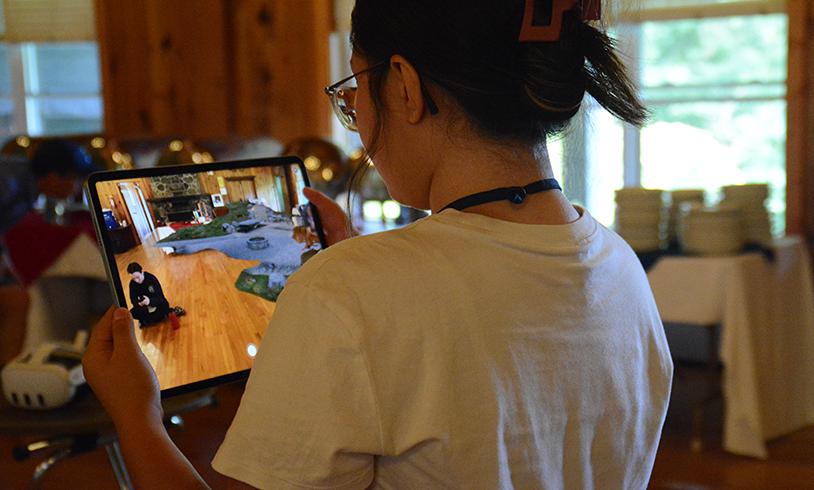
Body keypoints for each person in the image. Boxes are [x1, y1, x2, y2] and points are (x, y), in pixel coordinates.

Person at [83, 1, 673, 488]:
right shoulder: (620, 264)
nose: (358, 120)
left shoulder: (351, 290)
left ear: (407, 86)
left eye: (354, 93)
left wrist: (138, 419)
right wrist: (364, 262)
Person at [0, 139, 97, 365]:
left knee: (18, 299)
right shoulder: (8, 182)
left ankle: (7, 380)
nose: (77, 188)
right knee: (16, 301)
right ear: (53, 177)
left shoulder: (23, 180)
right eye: (75, 179)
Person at [126, 262, 180, 327]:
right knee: (131, 313)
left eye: (138, 277)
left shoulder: (151, 279)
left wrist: (150, 301)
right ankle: (152, 319)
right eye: (133, 279)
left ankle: (148, 320)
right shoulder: (132, 284)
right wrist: (138, 304)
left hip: (156, 305)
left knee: (164, 305)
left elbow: (160, 297)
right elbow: (133, 299)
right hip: (145, 308)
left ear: (142, 272)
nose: (136, 280)